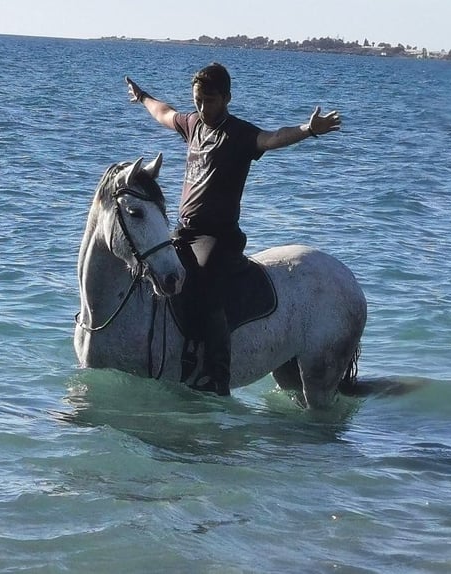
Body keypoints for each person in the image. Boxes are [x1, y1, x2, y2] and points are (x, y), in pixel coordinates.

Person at [124, 62, 342, 397]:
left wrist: (307, 130)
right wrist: (142, 98)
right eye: (197, 99)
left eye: (208, 100)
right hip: (184, 231)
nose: (201, 107)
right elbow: (164, 112)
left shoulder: (238, 134)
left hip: (218, 237)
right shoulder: (193, 124)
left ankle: (216, 374)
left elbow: (272, 139)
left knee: (206, 283)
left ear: (227, 98)